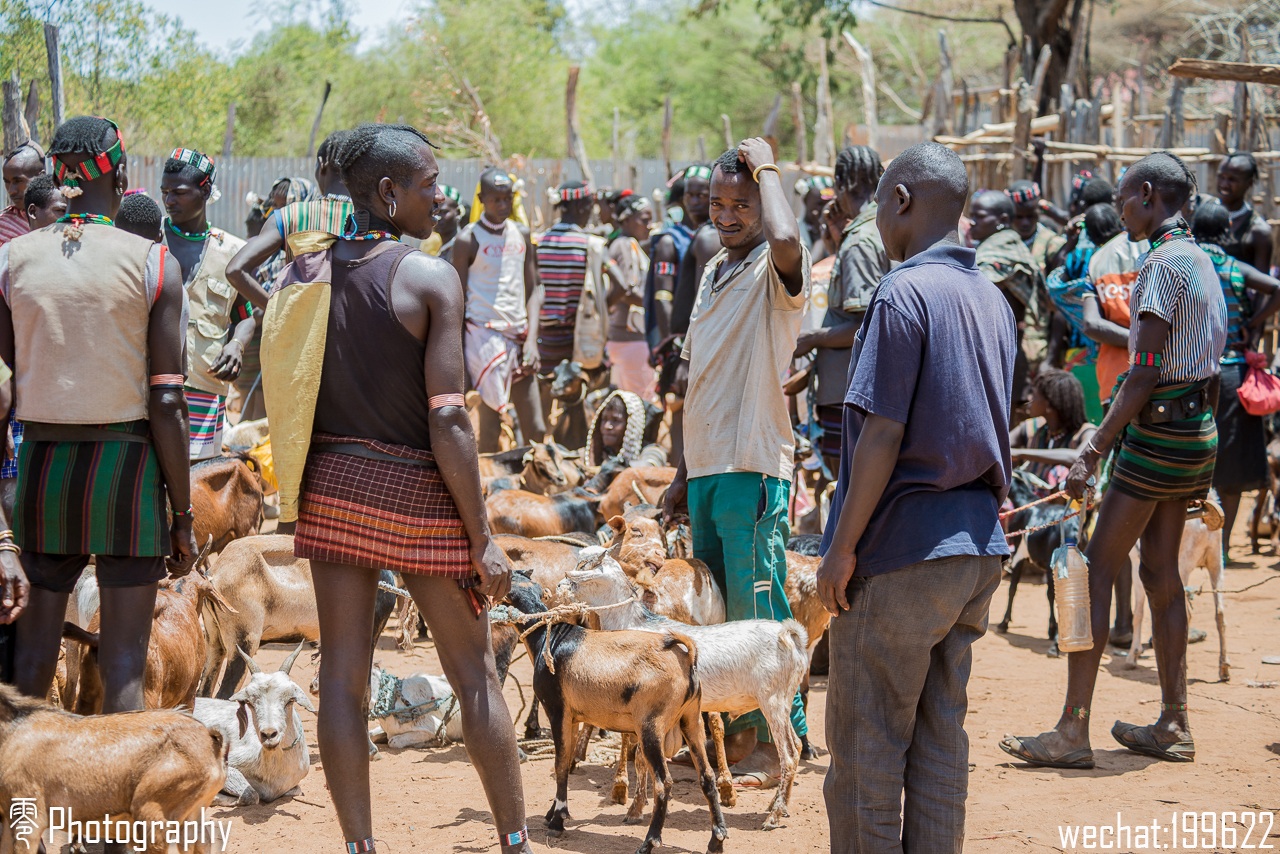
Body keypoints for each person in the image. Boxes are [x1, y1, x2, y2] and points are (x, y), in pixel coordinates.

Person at [259, 122, 532, 854]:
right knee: (475, 675)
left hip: (334, 484)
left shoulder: (306, 274)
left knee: (342, 677)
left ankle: (359, 847)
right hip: (419, 492)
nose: (441, 198)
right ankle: (514, 842)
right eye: (430, 184)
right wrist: (482, 538)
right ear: (387, 192)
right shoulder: (428, 276)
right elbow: (449, 420)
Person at [815, 142, 1015, 853]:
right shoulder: (991, 296)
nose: (874, 215)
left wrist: (840, 549)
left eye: (878, 202)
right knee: (938, 745)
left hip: (901, 550)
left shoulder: (901, 293)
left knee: (866, 754)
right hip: (976, 545)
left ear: (900, 199)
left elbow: (882, 433)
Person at [1000, 152, 1227, 770]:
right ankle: (1173, 722)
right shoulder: (1203, 261)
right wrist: (1202, 466)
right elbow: (1211, 370)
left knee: (1095, 570)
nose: (1121, 209)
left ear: (1149, 196)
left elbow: (1143, 374)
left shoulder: (1158, 265)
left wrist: (1092, 449)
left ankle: (1073, 731)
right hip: (1194, 436)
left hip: (1154, 440)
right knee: (1160, 574)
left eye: (1127, 198)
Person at [0, 116, 195, 719]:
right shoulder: (154, 264)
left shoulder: (13, 262)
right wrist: (182, 516)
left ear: (58, 178)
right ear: (122, 174)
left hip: (42, 467)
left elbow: (13, 366)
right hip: (128, 467)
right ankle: (120, 813)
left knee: (32, 659)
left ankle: (21, 809)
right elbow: (166, 400)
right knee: (124, 664)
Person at [664, 140, 810, 784]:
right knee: (720, 614)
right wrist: (680, 471)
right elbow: (700, 378)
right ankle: (737, 738)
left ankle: (784, 741)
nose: (725, 215)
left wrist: (770, 168)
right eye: (717, 204)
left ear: (765, 203)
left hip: (752, 461)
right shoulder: (714, 270)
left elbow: (786, 242)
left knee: (761, 609)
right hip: (707, 464)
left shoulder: (772, 272)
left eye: (741, 204)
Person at [1191, 200, 1280, 558]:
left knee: (1198, 452)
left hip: (1194, 370)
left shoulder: (1188, 263)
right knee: (1231, 458)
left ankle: (1194, 543)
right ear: (1228, 231)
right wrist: (1253, 323)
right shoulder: (1233, 267)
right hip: (1234, 373)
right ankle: (1222, 548)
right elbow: (1276, 288)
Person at [794, 145, 889, 479]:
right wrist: (836, 242)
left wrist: (811, 339)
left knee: (843, 483)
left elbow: (867, 324)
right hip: (862, 388)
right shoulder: (877, 228)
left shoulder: (860, 241)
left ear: (843, 182)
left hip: (847, 388)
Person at [160, 147, 254, 462]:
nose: (169, 200)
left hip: (204, 386)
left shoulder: (232, 252)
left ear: (205, 191)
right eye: (165, 192)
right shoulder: (150, 239)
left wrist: (237, 344)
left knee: (198, 482)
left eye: (179, 192)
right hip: (152, 384)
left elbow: (246, 315)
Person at [452, 167, 544, 451]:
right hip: (483, 339)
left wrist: (531, 340)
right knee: (490, 432)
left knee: (536, 429)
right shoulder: (468, 239)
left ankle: (532, 489)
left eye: (508, 199)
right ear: (482, 198)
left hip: (519, 338)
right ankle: (491, 492)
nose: (503, 205)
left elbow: (535, 290)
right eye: (496, 200)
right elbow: (456, 299)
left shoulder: (522, 235)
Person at [647, 165, 712, 461]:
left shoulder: (717, 233)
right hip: (683, 343)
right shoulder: (671, 241)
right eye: (691, 194)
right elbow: (662, 298)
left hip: (712, 339)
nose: (696, 201)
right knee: (681, 410)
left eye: (703, 194)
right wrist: (676, 346)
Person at [531, 180, 611, 416]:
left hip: (546, 335)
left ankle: (540, 443)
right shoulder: (588, 245)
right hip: (580, 334)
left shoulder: (539, 243)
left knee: (546, 389)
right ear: (581, 207)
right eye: (589, 207)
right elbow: (615, 285)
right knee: (580, 394)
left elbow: (533, 289)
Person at [971, 189, 1041, 410]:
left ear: (1001, 220)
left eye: (979, 216)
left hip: (1001, 354)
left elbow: (977, 290)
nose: (972, 222)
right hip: (1006, 350)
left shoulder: (998, 251)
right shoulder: (1003, 246)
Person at [605, 193, 655, 399]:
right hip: (631, 339)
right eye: (644, 220)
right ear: (626, 220)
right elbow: (626, 290)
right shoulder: (625, 245)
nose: (650, 225)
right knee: (641, 402)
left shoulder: (626, 243)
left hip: (626, 338)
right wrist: (654, 305)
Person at [1010, 369, 1097, 487]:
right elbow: (1001, 446)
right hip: (1028, 499)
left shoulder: (1086, 432)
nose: (1029, 398)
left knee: (1061, 472)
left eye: (1034, 395)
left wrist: (1020, 453)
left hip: (1064, 504)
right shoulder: (1032, 427)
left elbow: (1078, 457)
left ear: (1049, 404)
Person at [1215, 152, 1272, 271]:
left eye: (1232, 179)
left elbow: (1262, 285)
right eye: (1221, 176)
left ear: (1249, 183)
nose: (1224, 184)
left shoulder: (1258, 231)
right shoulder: (1200, 214)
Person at [583, 389, 664, 467]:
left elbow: (648, 467)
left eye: (615, 420)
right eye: (604, 419)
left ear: (631, 425)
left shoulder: (653, 453)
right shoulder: (597, 455)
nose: (607, 426)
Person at [0, 142, 44, 247]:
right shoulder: (3, 224)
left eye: (18, 181)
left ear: (40, 177)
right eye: (7, 182)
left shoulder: (59, 215)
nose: (11, 191)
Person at [1008, 179, 1057, 270]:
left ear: (1039, 213)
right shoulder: (999, 240)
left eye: (1030, 216)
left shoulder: (1051, 242)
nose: (1025, 223)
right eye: (1019, 217)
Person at [795, 175, 835, 263]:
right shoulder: (793, 231)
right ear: (805, 201)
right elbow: (806, 269)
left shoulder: (838, 231)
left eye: (828, 204)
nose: (825, 209)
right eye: (819, 204)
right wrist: (821, 234)